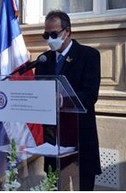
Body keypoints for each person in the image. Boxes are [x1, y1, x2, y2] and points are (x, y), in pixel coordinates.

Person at [34, 10, 101, 190]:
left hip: (79, 137)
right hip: (53, 139)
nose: (50, 39)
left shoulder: (89, 56)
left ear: (68, 31)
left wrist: (63, 100)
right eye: (46, 35)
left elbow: (90, 94)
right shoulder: (43, 60)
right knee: (56, 187)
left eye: (54, 34)